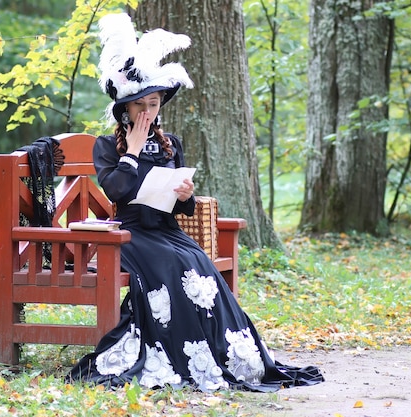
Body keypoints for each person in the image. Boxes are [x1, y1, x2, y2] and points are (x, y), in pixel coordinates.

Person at [66, 13, 324, 392]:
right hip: (130, 234)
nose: (149, 112)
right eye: (141, 106)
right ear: (126, 110)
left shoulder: (172, 143)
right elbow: (117, 191)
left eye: (154, 104)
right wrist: (133, 152)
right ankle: (174, 352)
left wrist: (184, 196)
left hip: (166, 230)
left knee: (197, 261)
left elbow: (178, 206)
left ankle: (221, 352)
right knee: (175, 263)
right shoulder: (107, 146)